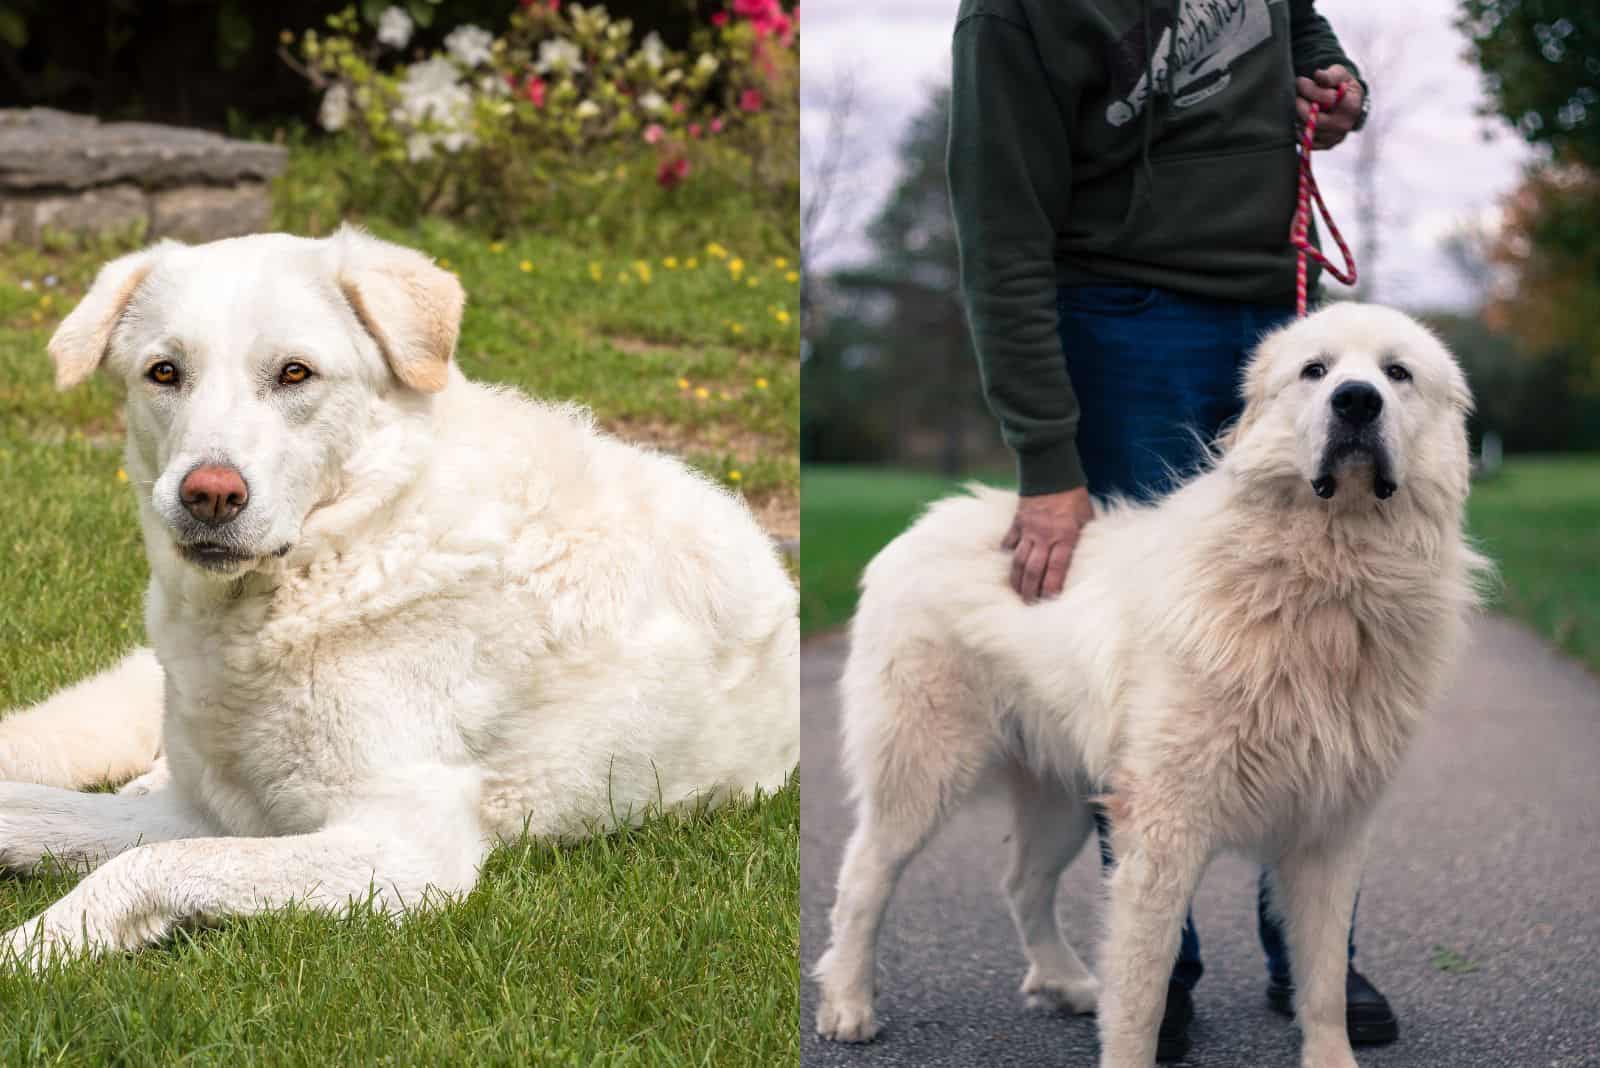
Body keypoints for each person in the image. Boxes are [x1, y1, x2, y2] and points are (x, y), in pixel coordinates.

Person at [947, 0, 1396, 1061]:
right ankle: (1160, 969)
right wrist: (1048, 462)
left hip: (1283, 314)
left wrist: (1334, 87)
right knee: (1162, 679)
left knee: (1331, 659)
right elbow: (998, 242)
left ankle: (1310, 961)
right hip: (1123, 322)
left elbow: (1297, 25)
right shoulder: (1009, 18)